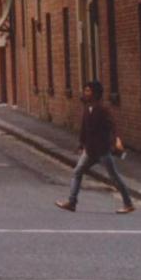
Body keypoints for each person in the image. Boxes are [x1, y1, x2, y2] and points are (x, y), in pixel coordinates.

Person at [56, 80, 135, 214]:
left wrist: (117, 140)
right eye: (85, 90)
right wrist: (81, 144)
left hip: (102, 150)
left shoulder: (103, 109)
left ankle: (128, 204)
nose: (85, 93)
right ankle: (72, 202)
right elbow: (84, 129)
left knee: (114, 177)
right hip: (90, 150)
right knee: (77, 172)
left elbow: (113, 125)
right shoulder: (87, 108)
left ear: (95, 93)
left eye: (88, 91)